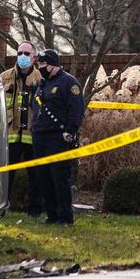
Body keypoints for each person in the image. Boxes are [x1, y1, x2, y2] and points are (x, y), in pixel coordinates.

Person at [30, 48, 85, 225]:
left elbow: (76, 110)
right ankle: (52, 214)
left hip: (58, 137)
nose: (41, 67)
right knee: (43, 177)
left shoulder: (69, 83)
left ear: (53, 65)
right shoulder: (42, 84)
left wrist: (70, 130)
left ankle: (65, 216)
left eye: (43, 64)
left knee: (59, 177)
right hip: (40, 137)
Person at [1, 41, 43, 217]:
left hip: (33, 135)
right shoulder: (4, 77)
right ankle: (2, 208)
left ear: (34, 58)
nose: (22, 57)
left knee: (35, 175)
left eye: (26, 54)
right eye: (19, 53)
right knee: (6, 175)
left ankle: (34, 210)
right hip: (10, 134)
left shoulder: (42, 79)